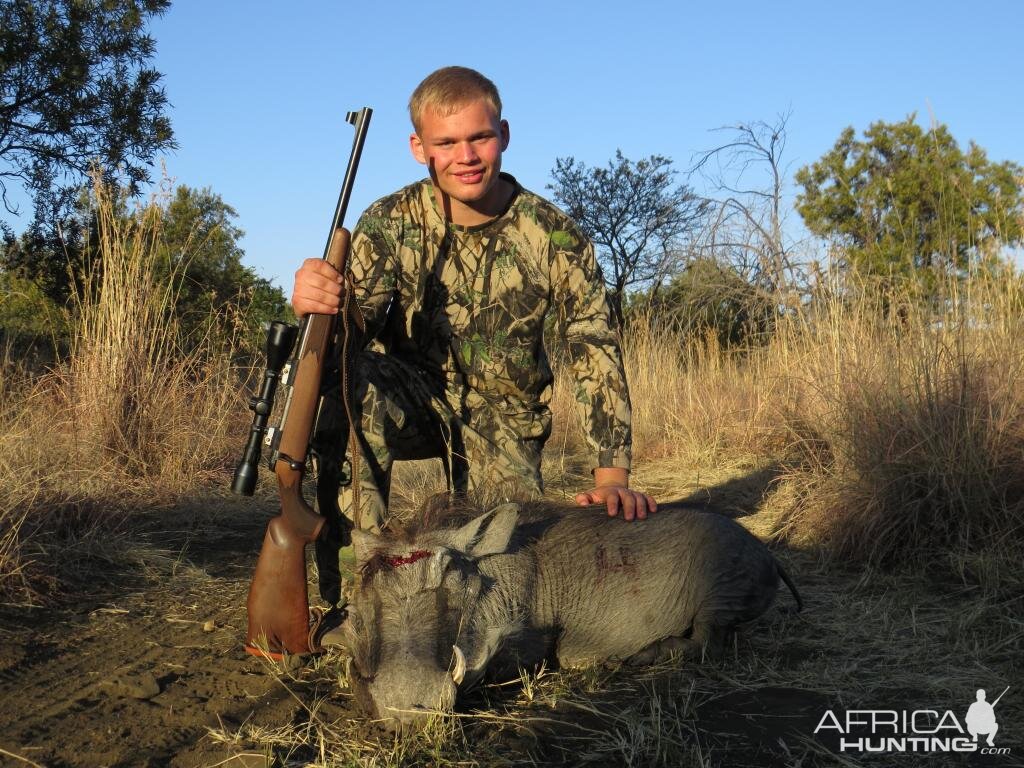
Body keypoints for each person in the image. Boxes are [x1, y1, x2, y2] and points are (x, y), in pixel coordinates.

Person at [292, 67, 655, 597]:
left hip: (506, 416)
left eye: (480, 137)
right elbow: (352, 332)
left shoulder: (555, 234)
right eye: (447, 142)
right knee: (353, 382)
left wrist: (611, 477)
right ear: (420, 147)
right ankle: (354, 590)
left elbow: (592, 344)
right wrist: (317, 304)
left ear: (503, 135)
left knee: (507, 563)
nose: (466, 156)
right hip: (414, 399)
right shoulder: (388, 221)